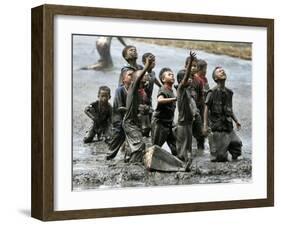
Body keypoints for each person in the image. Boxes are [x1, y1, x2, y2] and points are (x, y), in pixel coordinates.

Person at [203, 66, 242, 162]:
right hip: (218, 127)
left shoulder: (229, 92)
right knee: (220, 157)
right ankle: (218, 150)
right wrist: (205, 125)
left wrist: (236, 120)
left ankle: (234, 157)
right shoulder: (212, 92)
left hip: (228, 126)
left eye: (223, 71)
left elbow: (230, 109)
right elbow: (206, 108)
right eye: (219, 71)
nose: (222, 71)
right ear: (215, 78)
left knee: (237, 144)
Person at [122, 54, 156, 162]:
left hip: (134, 122)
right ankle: (134, 165)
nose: (146, 81)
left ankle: (128, 160)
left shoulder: (140, 92)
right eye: (143, 79)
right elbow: (138, 78)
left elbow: (137, 107)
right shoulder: (133, 88)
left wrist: (145, 109)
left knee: (132, 145)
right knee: (140, 145)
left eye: (146, 79)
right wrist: (147, 65)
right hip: (129, 123)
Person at [177, 56, 205, 152]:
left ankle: (200, 151)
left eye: (195, 66)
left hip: (195, 111)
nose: (193, 68)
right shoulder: (182, 78)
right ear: (186, 66)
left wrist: (201, 115)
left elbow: (201, 98)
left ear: (197, 68)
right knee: (185, 134)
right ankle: (186, 153)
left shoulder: (199, 81)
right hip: (185, 113)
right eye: (191, 66)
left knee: (200, 134)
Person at [106, 68, 134, 160]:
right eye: (130, 75)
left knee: (130, 138)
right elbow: (120, 107)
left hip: (129, 119)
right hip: (119, 120)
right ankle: (109, 156)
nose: (132, 76)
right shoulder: (120, 90)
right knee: (117, 139)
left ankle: (128, 156)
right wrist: (131, 110)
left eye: (134, 75)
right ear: (123, 79)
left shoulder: (134, 90)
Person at [176, 51, 197, 171]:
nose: (190, 79)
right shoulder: (181, 89)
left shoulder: (188, 90)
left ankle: (187, 164)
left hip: (189, 122)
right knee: (182, 147)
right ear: (181, 80)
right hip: (183, 123)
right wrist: (189, 64)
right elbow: (185, 79)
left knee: (188, 146)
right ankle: (181, 166)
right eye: (187, 78)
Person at [151, 67, 177, 156]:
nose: (172, 76)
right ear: (163, 79)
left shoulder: (171, 90)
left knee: (175, 145)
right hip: (160, 122)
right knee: (156, 146)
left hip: (169, 122)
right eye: (169, 75)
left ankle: (178, 161)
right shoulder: (163, 89)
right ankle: (150, 162)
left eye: (173, 74)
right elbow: (160, 100)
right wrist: (174, 99)